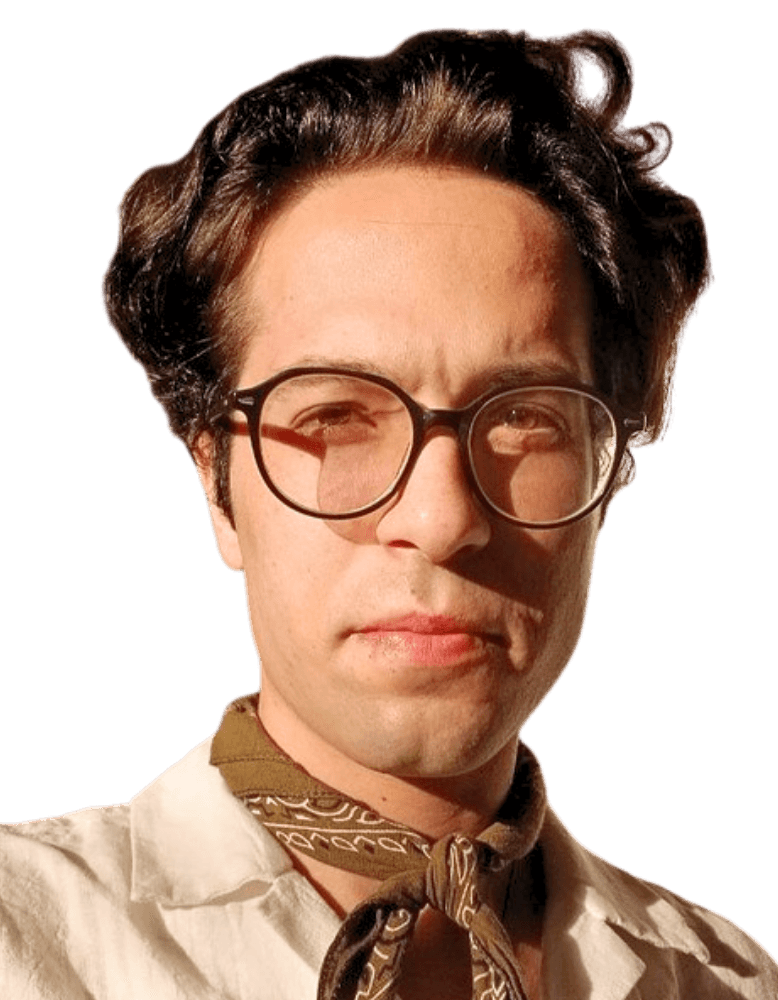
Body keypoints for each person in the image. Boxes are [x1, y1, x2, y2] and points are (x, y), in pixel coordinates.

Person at [1, 26, 775, 1000]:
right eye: (336, 415)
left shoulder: (731, 981)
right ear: (216, 485)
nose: (442, 519)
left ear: (608, 475)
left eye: (526, 418)